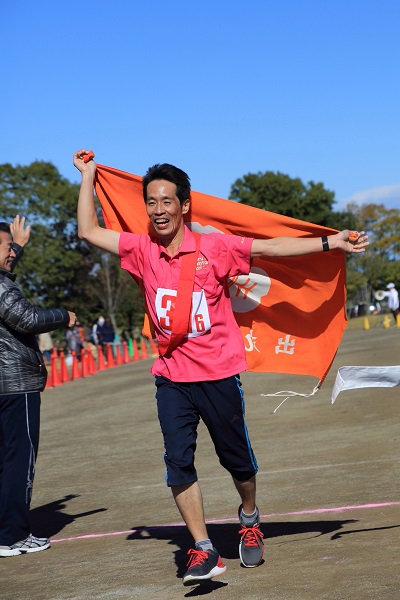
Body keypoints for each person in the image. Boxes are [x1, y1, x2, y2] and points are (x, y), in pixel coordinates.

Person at [73, 149, 369, 586]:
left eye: (166, 201)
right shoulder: (140, 249)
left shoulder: (215, 245)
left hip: (218, 374)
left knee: (238, 464)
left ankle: (249, 515)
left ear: (184, 204)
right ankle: (203, 547)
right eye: (150, 202)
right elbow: (87, 230)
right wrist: (89, 177)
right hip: (172, 378)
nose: (158, 210)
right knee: (178, 462)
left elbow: (270, 246)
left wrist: (331, 242)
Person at [0, 221, 76, 557]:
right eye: (5, 247)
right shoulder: (1, 287)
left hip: (7, 387)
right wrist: (64, 315)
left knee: (7, 460)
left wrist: (17, 248)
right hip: (15, 387)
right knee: (19, 461)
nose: (9, 252)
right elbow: (26, 319)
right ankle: (13, 535)